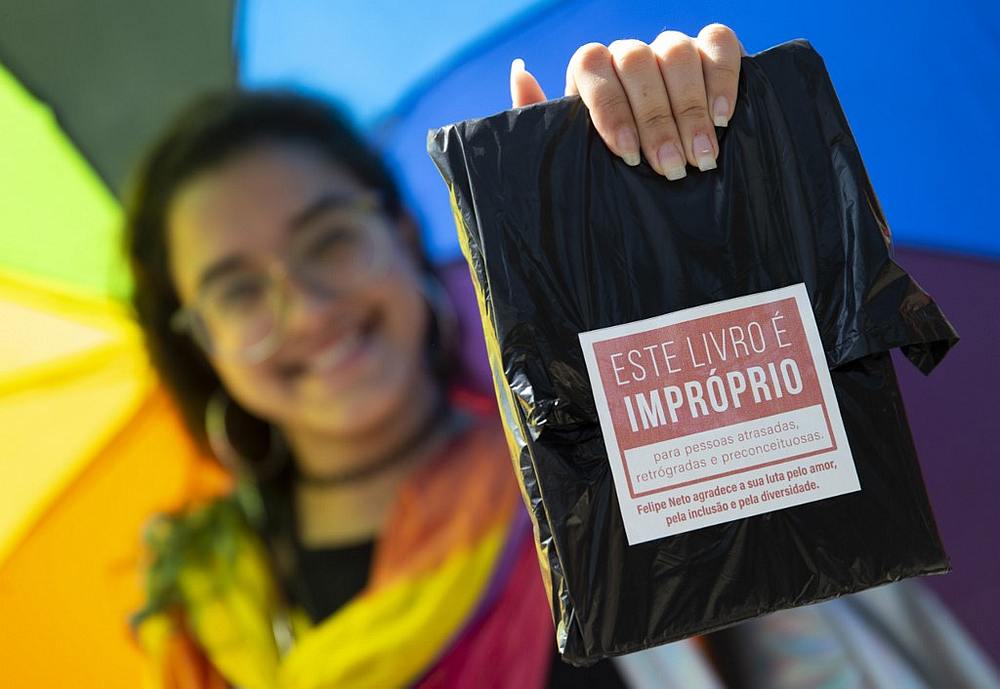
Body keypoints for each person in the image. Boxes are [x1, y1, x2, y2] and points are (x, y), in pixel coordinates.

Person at [123, 24, 999, 689]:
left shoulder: (589, 456)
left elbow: (804, 613)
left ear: (401, 235)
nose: (305, 307)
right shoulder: (199, 604)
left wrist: (667, 214)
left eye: (329, 240)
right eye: (237, 289)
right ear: (195, 340)